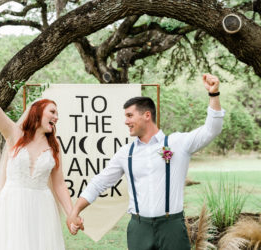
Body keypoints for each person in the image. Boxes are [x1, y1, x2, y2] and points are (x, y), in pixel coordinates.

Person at [67, 74, 225, 250]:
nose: (126, 121)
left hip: (171, 227)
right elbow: (98, 183)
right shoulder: (125, 153)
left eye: (130, 115)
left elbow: (212, 129)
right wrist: (75, 211)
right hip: (139, 228)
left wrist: (214, 94)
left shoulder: (177, 143)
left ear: (147, 115)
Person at [0, 63, 77, 250]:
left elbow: (59, 184)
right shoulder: (14, 135)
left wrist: (71, 214)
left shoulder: (54, 147)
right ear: (37, 112)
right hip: (13, 204)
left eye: (57, 114)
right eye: (52, 112)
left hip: (43, 208)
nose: (56, 117)